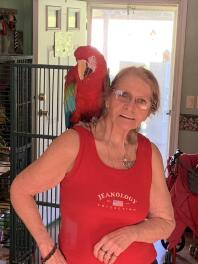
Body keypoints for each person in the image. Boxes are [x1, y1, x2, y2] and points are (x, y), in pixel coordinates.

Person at [10, 66, 175, 264]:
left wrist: (130, 234)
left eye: (141, 101)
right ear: (107, 98)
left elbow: (166, 223)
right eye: (123, 95)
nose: (130, 106)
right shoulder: (74, 144)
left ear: (149, 111)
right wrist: (47, 248)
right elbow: (20, 190)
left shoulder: (150, 153)